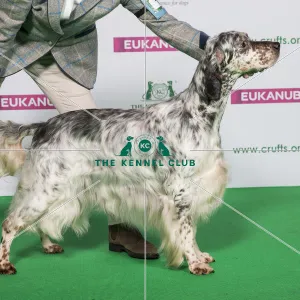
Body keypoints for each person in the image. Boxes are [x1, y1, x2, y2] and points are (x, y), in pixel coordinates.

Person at [0, 0, 210, 260]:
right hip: (15, 45)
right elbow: (3, 31)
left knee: (102, 146)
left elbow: (162, 21)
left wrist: (213, 51)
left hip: (67, 54)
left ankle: (119, 229)